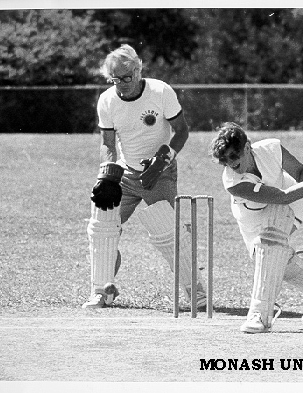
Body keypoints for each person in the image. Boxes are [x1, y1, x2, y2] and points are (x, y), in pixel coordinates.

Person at [83, 44, 206, 309]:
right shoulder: (107, 99)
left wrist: (163, 159)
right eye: (115, 79)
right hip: (126, 175)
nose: (122, 84)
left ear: (138, 70)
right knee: (102, 228)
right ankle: (101, 291)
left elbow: (182, 131)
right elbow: (107, 142)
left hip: (159, 174)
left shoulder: (161, 91)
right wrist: (106, 173)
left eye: (127, 78)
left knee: (171, 236)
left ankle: (195, 291)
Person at [209, 122, 303, 333]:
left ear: (248, 146)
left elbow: (299, 172)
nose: (231, 164)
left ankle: (259, 315)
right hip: (257, 218)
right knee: (274, 259)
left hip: (290, 207)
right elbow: (280, 197)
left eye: (234, 156)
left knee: (269, 244)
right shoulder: (233, 182)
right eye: (225, 161)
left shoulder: (271, 148)